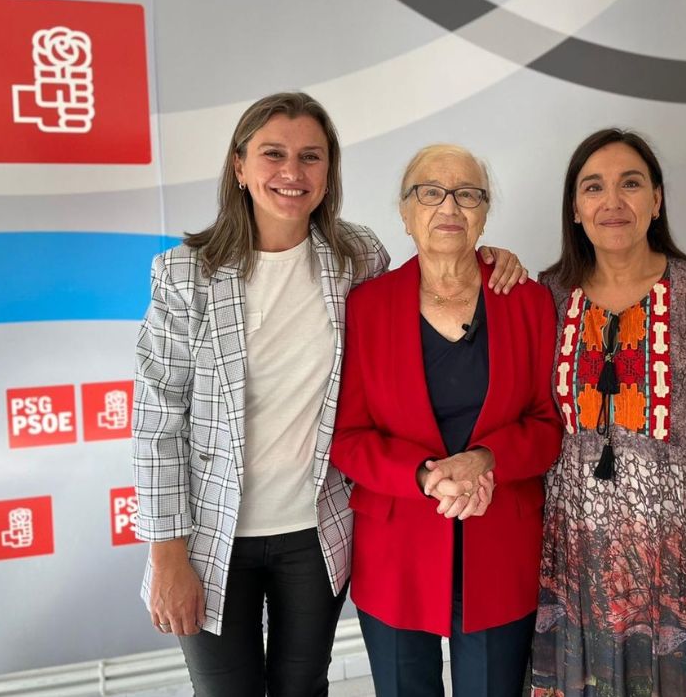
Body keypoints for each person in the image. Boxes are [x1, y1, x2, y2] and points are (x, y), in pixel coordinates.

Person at [131, 93, 527, 697]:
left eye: (310, 157)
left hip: (315, 533)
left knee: (303, 689)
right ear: (239, 167)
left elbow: (432, 272)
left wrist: (489, 256)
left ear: (329, 172)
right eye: (273, 154)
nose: (292, 173)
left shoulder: (355, 257)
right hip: (213, 536)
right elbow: (157, 421)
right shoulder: (187, 275)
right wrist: (165, 555)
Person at [330, 144, 563, 697]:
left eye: (468, 194)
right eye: (430, 193)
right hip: (396, 550)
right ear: (405, 212)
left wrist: (487, 458)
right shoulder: (366, 305)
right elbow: (349, 438)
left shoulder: (528, 301)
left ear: (484, 212)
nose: (449, 207)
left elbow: (548, 425)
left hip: (501, 542)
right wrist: (424, 474)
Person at [530, 129, 686, 696]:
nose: (613, 202)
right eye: (594, 188)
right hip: (572, 553)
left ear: (656, 201)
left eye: (631, 184)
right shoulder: (548, 295)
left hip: (677, 554)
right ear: (575, 209)